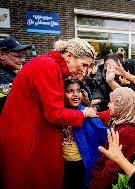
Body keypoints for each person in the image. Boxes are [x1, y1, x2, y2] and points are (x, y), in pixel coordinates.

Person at [0, 38, 97, 189]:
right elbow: (55, 113)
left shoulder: (49, 64)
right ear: (69, 56)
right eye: (84, 64)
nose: (84, 71)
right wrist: (84, 113)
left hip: (29, 135)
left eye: (89, 66)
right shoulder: (48, 66)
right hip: (27, 140)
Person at [89, 87, 135, 189]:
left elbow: (113, 167)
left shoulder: (126, 132)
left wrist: (95, 185)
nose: (108, 105)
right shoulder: (123, 125)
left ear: (122, 106)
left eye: (112, 102)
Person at [62, 78, 107, 189]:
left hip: (82, 164)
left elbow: (105, 135)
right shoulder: (59, 114)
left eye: (78, 91)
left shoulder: (88, 114)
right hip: (63, 164)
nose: (75, 95)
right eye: (70, 91)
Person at [0, 37, 31, 113]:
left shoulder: (11, 72)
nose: (23, 60)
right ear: (1, 55)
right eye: (17, 56)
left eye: (23, 57)